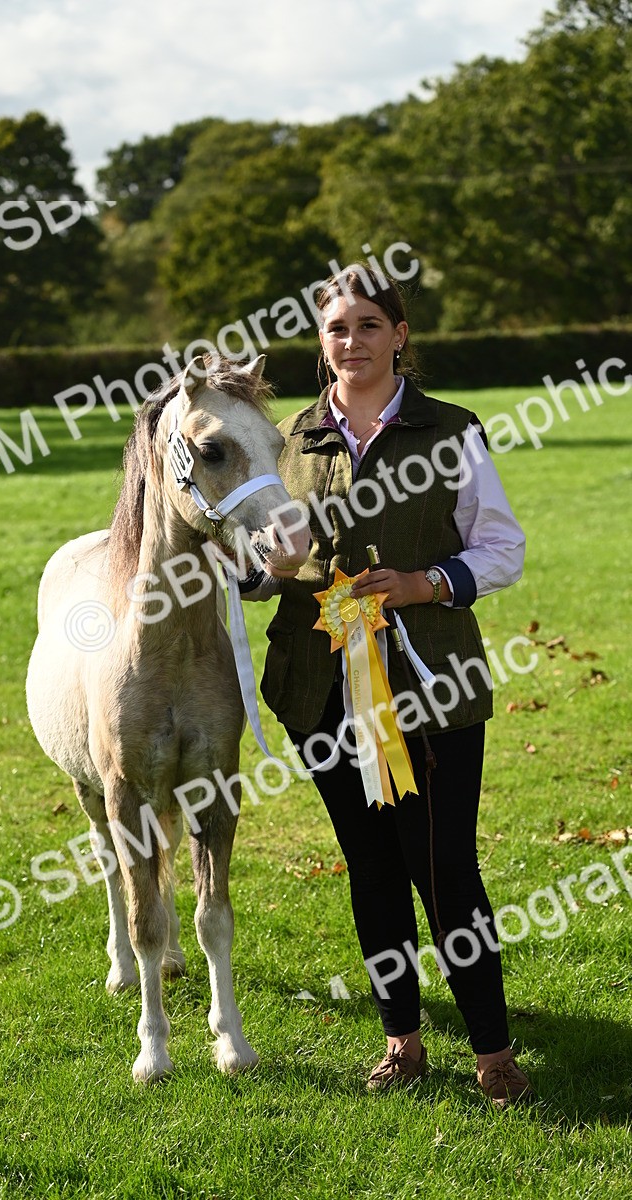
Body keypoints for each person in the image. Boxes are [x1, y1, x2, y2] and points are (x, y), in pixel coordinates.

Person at [240, 264, 531, 1107]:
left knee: (443, 865)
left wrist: (426, 583)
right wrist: (270, 568)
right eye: (337, 328)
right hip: (318, 688)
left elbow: (501, 548)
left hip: (431, 685)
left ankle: (493, 1051)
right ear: (319, 341)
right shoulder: (286, 440)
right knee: (368, 867)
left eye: (370, 325)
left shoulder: (450, 430)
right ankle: (401, 1041)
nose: (352, 342)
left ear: (399, 335)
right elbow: (254, 569)